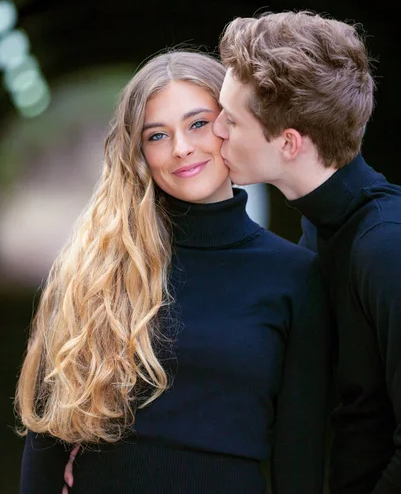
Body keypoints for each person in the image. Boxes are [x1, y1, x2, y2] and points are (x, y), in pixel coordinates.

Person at [16, 50, 330, 494]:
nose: (181, 148)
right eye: (157, 135)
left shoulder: (296, 275)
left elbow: (299, 456)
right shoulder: (95, 268)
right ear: (139, 151)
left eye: (198, 123)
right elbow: (48, 436)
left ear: (233, 125)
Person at [213, 10, 401, 494]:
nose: (215, 130)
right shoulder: (322, 231)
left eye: (231, 120)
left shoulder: (386, 245)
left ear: (290, 143)